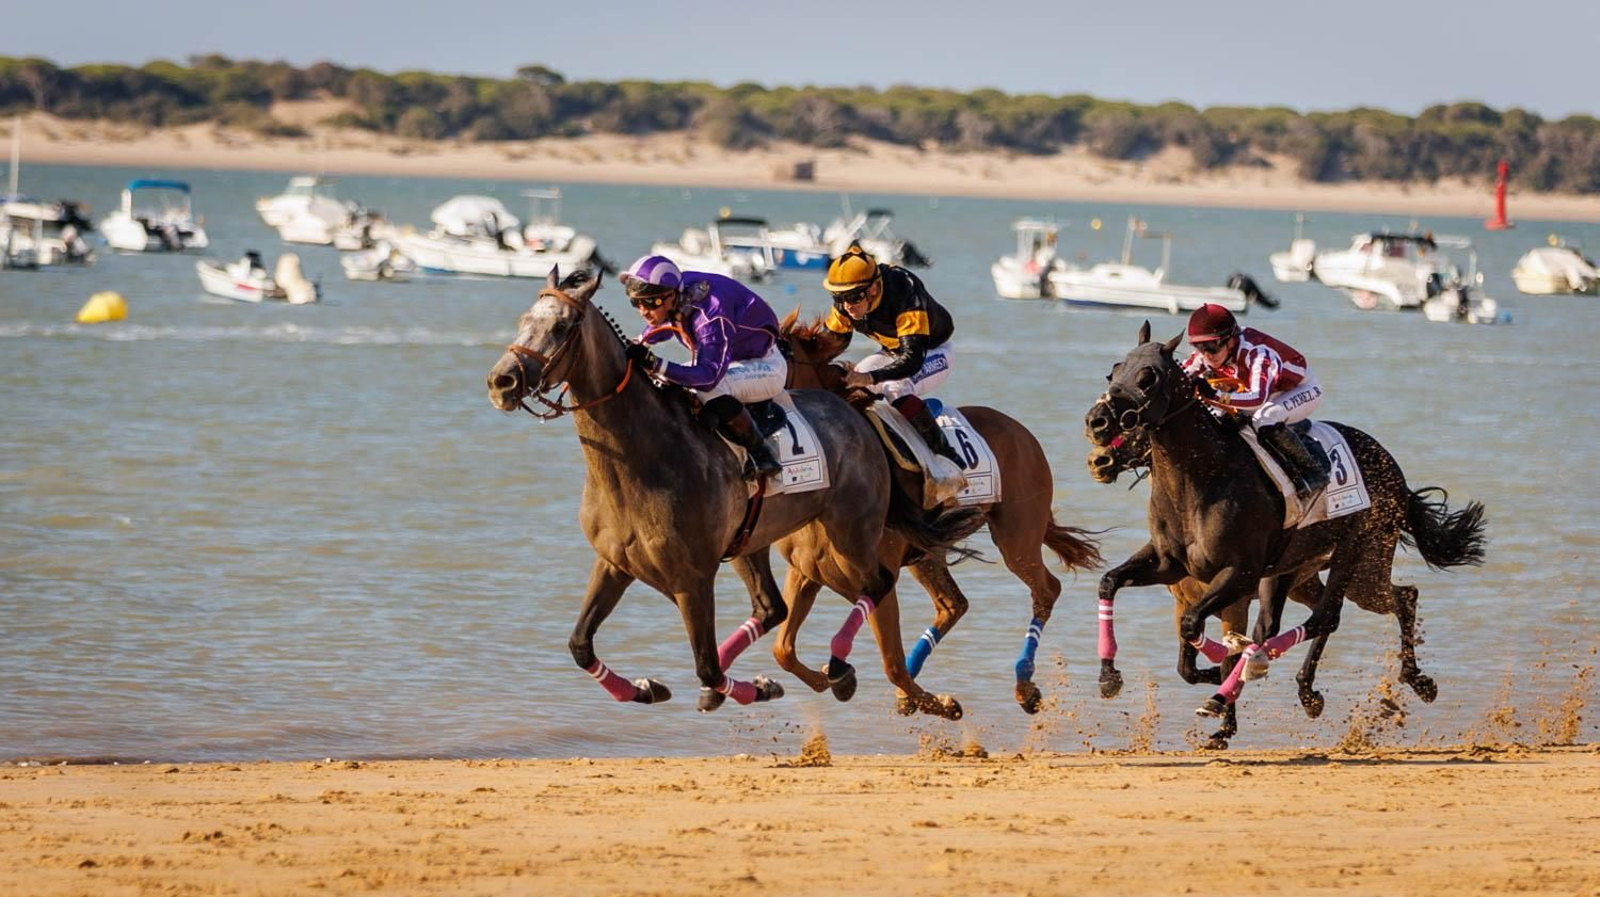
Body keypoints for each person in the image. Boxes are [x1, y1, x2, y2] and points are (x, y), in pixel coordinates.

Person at [619, 254, 785, 481]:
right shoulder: (679, 294)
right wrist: (638, 342)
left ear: (671, 296)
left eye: (651, 303)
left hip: (764, 365)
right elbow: (667, 324)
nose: (643, 311)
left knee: (706, 389)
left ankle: (761, 453)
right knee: (664, 381)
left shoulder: (711, 315)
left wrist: (655, 362)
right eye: (636, 302)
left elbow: (709, 378)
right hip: (731, 359)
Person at [821, 242, 966, 470]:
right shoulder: (845, 304)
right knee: (851, 385)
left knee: (895, 389)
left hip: (932, 352)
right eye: (838, 298)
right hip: (892, 352)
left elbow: (912, 359)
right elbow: (827, 348)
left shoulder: (903, 289)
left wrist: (869, 378)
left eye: (853, 297)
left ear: (874, 289)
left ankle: (945, 456)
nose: (846, 306)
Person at [1181, 303, 1330, 500]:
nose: (1207, 355)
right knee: (1215, 416)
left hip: (1301, 389)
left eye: (1212, 347)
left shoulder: (1257, 353)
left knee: (1265, 418)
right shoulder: (1206, 356)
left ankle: (1312, 472)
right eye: (1200, 347)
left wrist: (1216, 395)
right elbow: (1179, 377)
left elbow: (1257, 399)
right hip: (1266, 392)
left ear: (1231, 340)